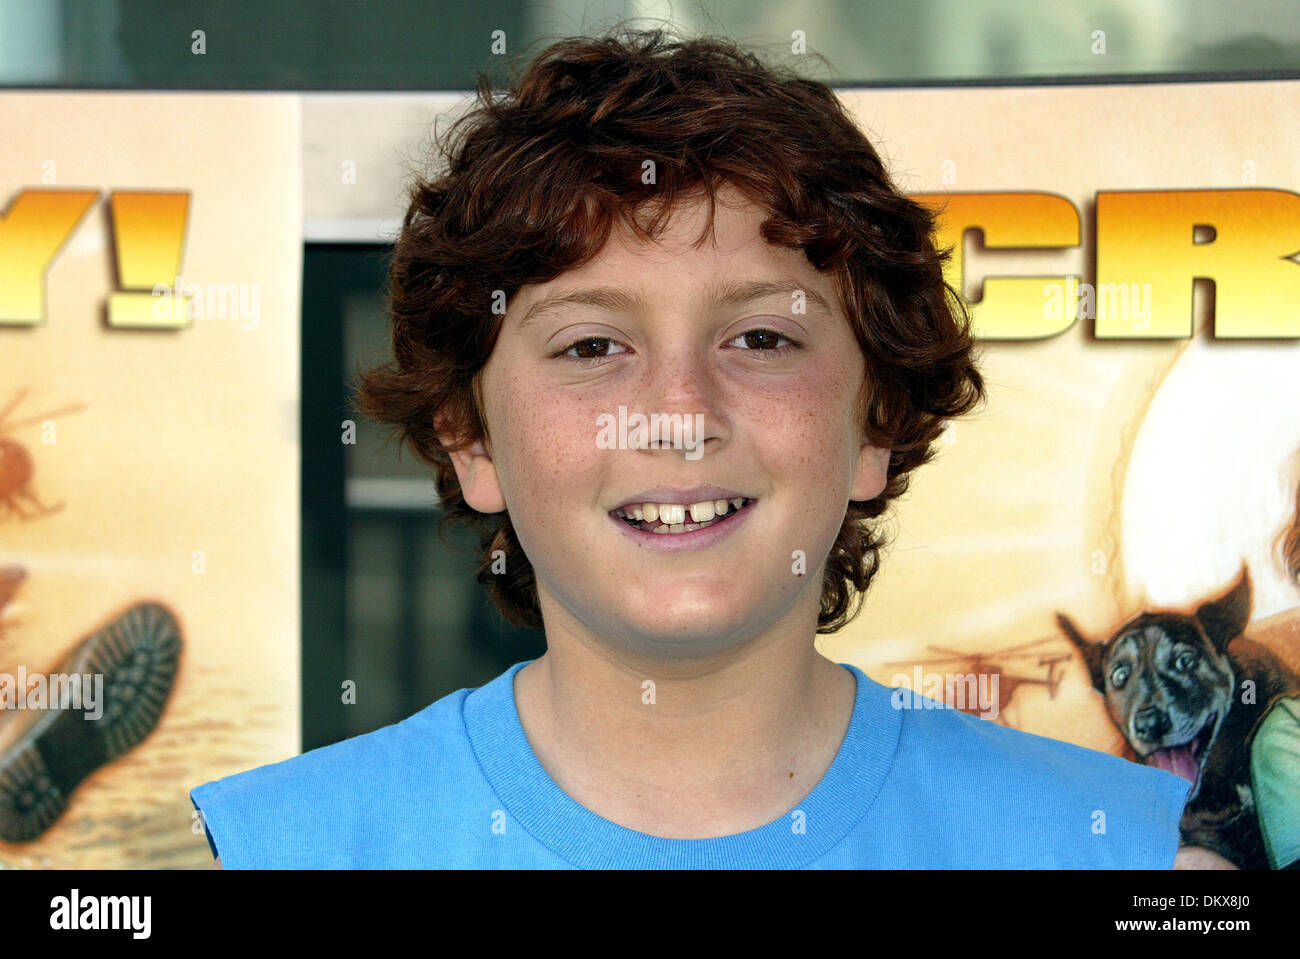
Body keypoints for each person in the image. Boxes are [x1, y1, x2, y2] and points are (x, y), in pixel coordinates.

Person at [190, 27, 1193, 868]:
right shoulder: (276, 852)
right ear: (470, 438)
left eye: (760, 338)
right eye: (591, 345)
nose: (677, 411)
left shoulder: (1127, 853)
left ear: (875, 422)